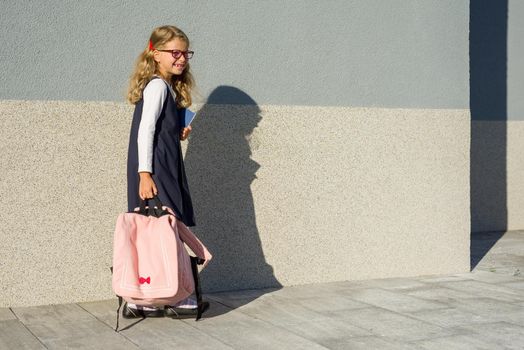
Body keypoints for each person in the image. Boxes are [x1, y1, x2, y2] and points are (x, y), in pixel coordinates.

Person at [124, 25, 200, 318]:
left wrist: (176, 132)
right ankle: (172, 297)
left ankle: (142, 298)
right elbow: (145, 131)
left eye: (185, 53)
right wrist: (145, 173)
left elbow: (158, 131)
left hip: (161, 163)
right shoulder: (157, 85)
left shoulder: (166, 86)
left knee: (153, 229)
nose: (181, 58)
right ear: (156, 55)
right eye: (175, 53)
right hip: (155, 168)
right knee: (162, 228)